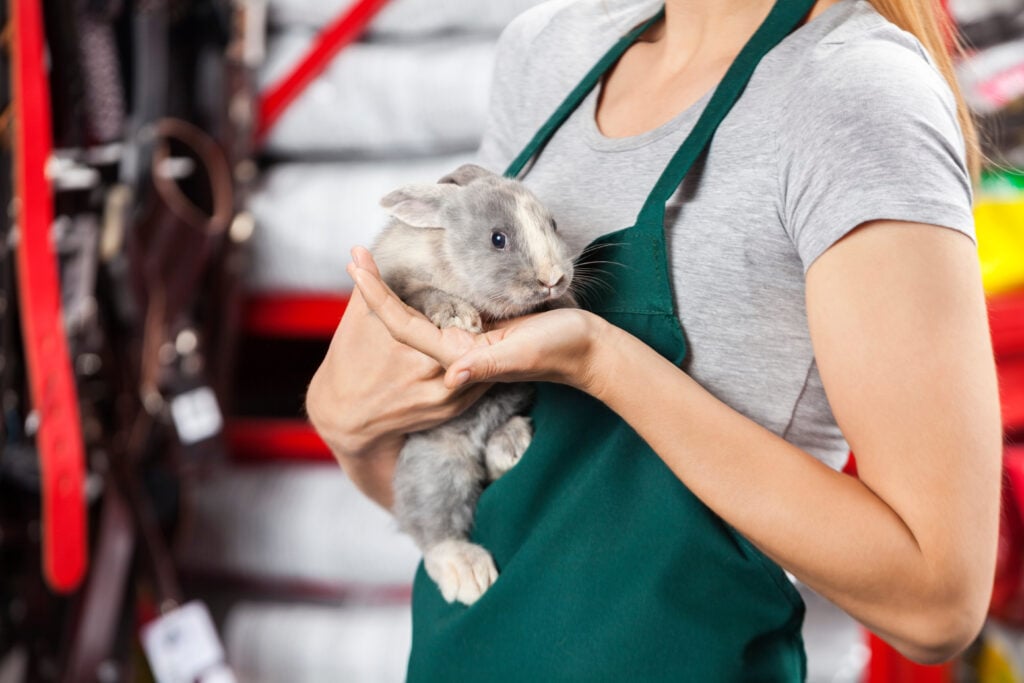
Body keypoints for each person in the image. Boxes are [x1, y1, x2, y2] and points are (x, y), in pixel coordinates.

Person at [306, 0, 1003, 679]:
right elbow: (488, 497)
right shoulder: (548, 51)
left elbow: (937, 601)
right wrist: (348, 425)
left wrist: (601, 360)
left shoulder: (852, 92)